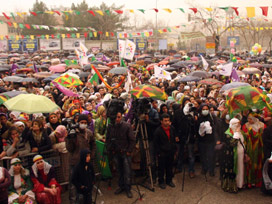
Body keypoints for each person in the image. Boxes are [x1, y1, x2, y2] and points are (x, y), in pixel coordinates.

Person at [65, 114, 96, 204]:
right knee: (73, 185)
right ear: (78, 123)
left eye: (85, 123)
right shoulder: (73, 133)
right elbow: (69, 149)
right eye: (81, 122)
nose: (83, 124)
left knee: (87, 183)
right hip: (75, 163)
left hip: (86, 163)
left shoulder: (89, 133)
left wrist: (91, 155)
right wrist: (71, 138)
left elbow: (93, 145)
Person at [106, 112, 135, 198]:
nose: (117, 119)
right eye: (115, 117)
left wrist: (129, 151)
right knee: (119, 171)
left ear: (121, 117)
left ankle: (128, 188)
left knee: (127, 171)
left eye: (118, 117)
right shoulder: (111, 127)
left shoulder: (127, 126)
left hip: (125, 153)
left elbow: (132, 140)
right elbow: (108, 139)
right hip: (116, 153)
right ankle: (121, 186)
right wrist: (111, 149)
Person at [173, 98, 196, 178]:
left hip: (190, 136)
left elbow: (194, 125)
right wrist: (176, 136)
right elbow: (174, 125)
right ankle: (179, 167)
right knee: (180, 153)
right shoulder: (178, 113)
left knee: (190, 155)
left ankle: (191, 170)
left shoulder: (192, 113)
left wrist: (193, 117)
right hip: (180, 136)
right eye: (186, 103)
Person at [154, 113, 178, 189]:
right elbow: (156, 143)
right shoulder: (158, 131)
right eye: (165, 121)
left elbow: (173, 139)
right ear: (161, 121)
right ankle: (161, 181)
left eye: (168, 120)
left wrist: (174, 150)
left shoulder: (172, 128)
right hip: (162, 153)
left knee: (169, 167)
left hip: (170, 151)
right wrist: (159, 153)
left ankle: (169, 180)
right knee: (161, 168)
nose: (167, 122)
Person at [221, 118, 245, 193]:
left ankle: (240, 184)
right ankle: (232, 186)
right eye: (235, 124)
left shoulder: (241, 132)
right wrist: (236, 134)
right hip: (231, 156)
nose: (237, 126)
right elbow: (232, 144)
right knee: (235, 170)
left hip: (241, 154)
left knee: (241, 169)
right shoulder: (228, 133)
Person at [242, 112, 266, 188]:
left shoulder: (262, 126)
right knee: (249, 164)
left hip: (259, 149)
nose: (249, 120)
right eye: (248, 118)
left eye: (250, 118)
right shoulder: (245, 126)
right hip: (249, 149)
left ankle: (257, 181)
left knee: (258, 163)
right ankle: (249, 181)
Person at [197, 104, 216, 176]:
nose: (205, 111)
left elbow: (215, 128)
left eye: (206, 109)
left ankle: (211, 170)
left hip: (210, 140)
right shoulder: (199, 118)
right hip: (202, 140)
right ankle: (204, 168)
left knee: (211, 156)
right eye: (203, 109)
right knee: (203, 156)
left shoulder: (211, 118)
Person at [261, 121, 272, 195]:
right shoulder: (267, 130)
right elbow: (265, 141)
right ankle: (267, 189)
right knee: (268, 171)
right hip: (269, 153)